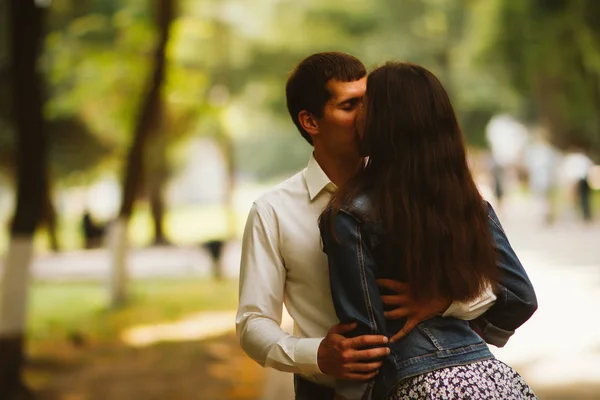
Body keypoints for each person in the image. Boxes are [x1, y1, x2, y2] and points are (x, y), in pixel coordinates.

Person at [236, 52, 499, 400]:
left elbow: (489, 284)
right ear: (310, 122)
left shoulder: (413, 189)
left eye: (368, 102)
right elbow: (252, 323)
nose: (366, 116)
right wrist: (316, 355)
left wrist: (443, 301)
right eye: (349, 106)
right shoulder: (272, 211)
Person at [319, 62, 538, 400]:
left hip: (420, 385)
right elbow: (520, 297)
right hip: (494, 380)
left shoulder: (349, 215)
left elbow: (369, 343)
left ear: (385, 120)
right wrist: (451, 305)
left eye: (364, 104)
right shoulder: (468, 202)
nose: (357, 114)